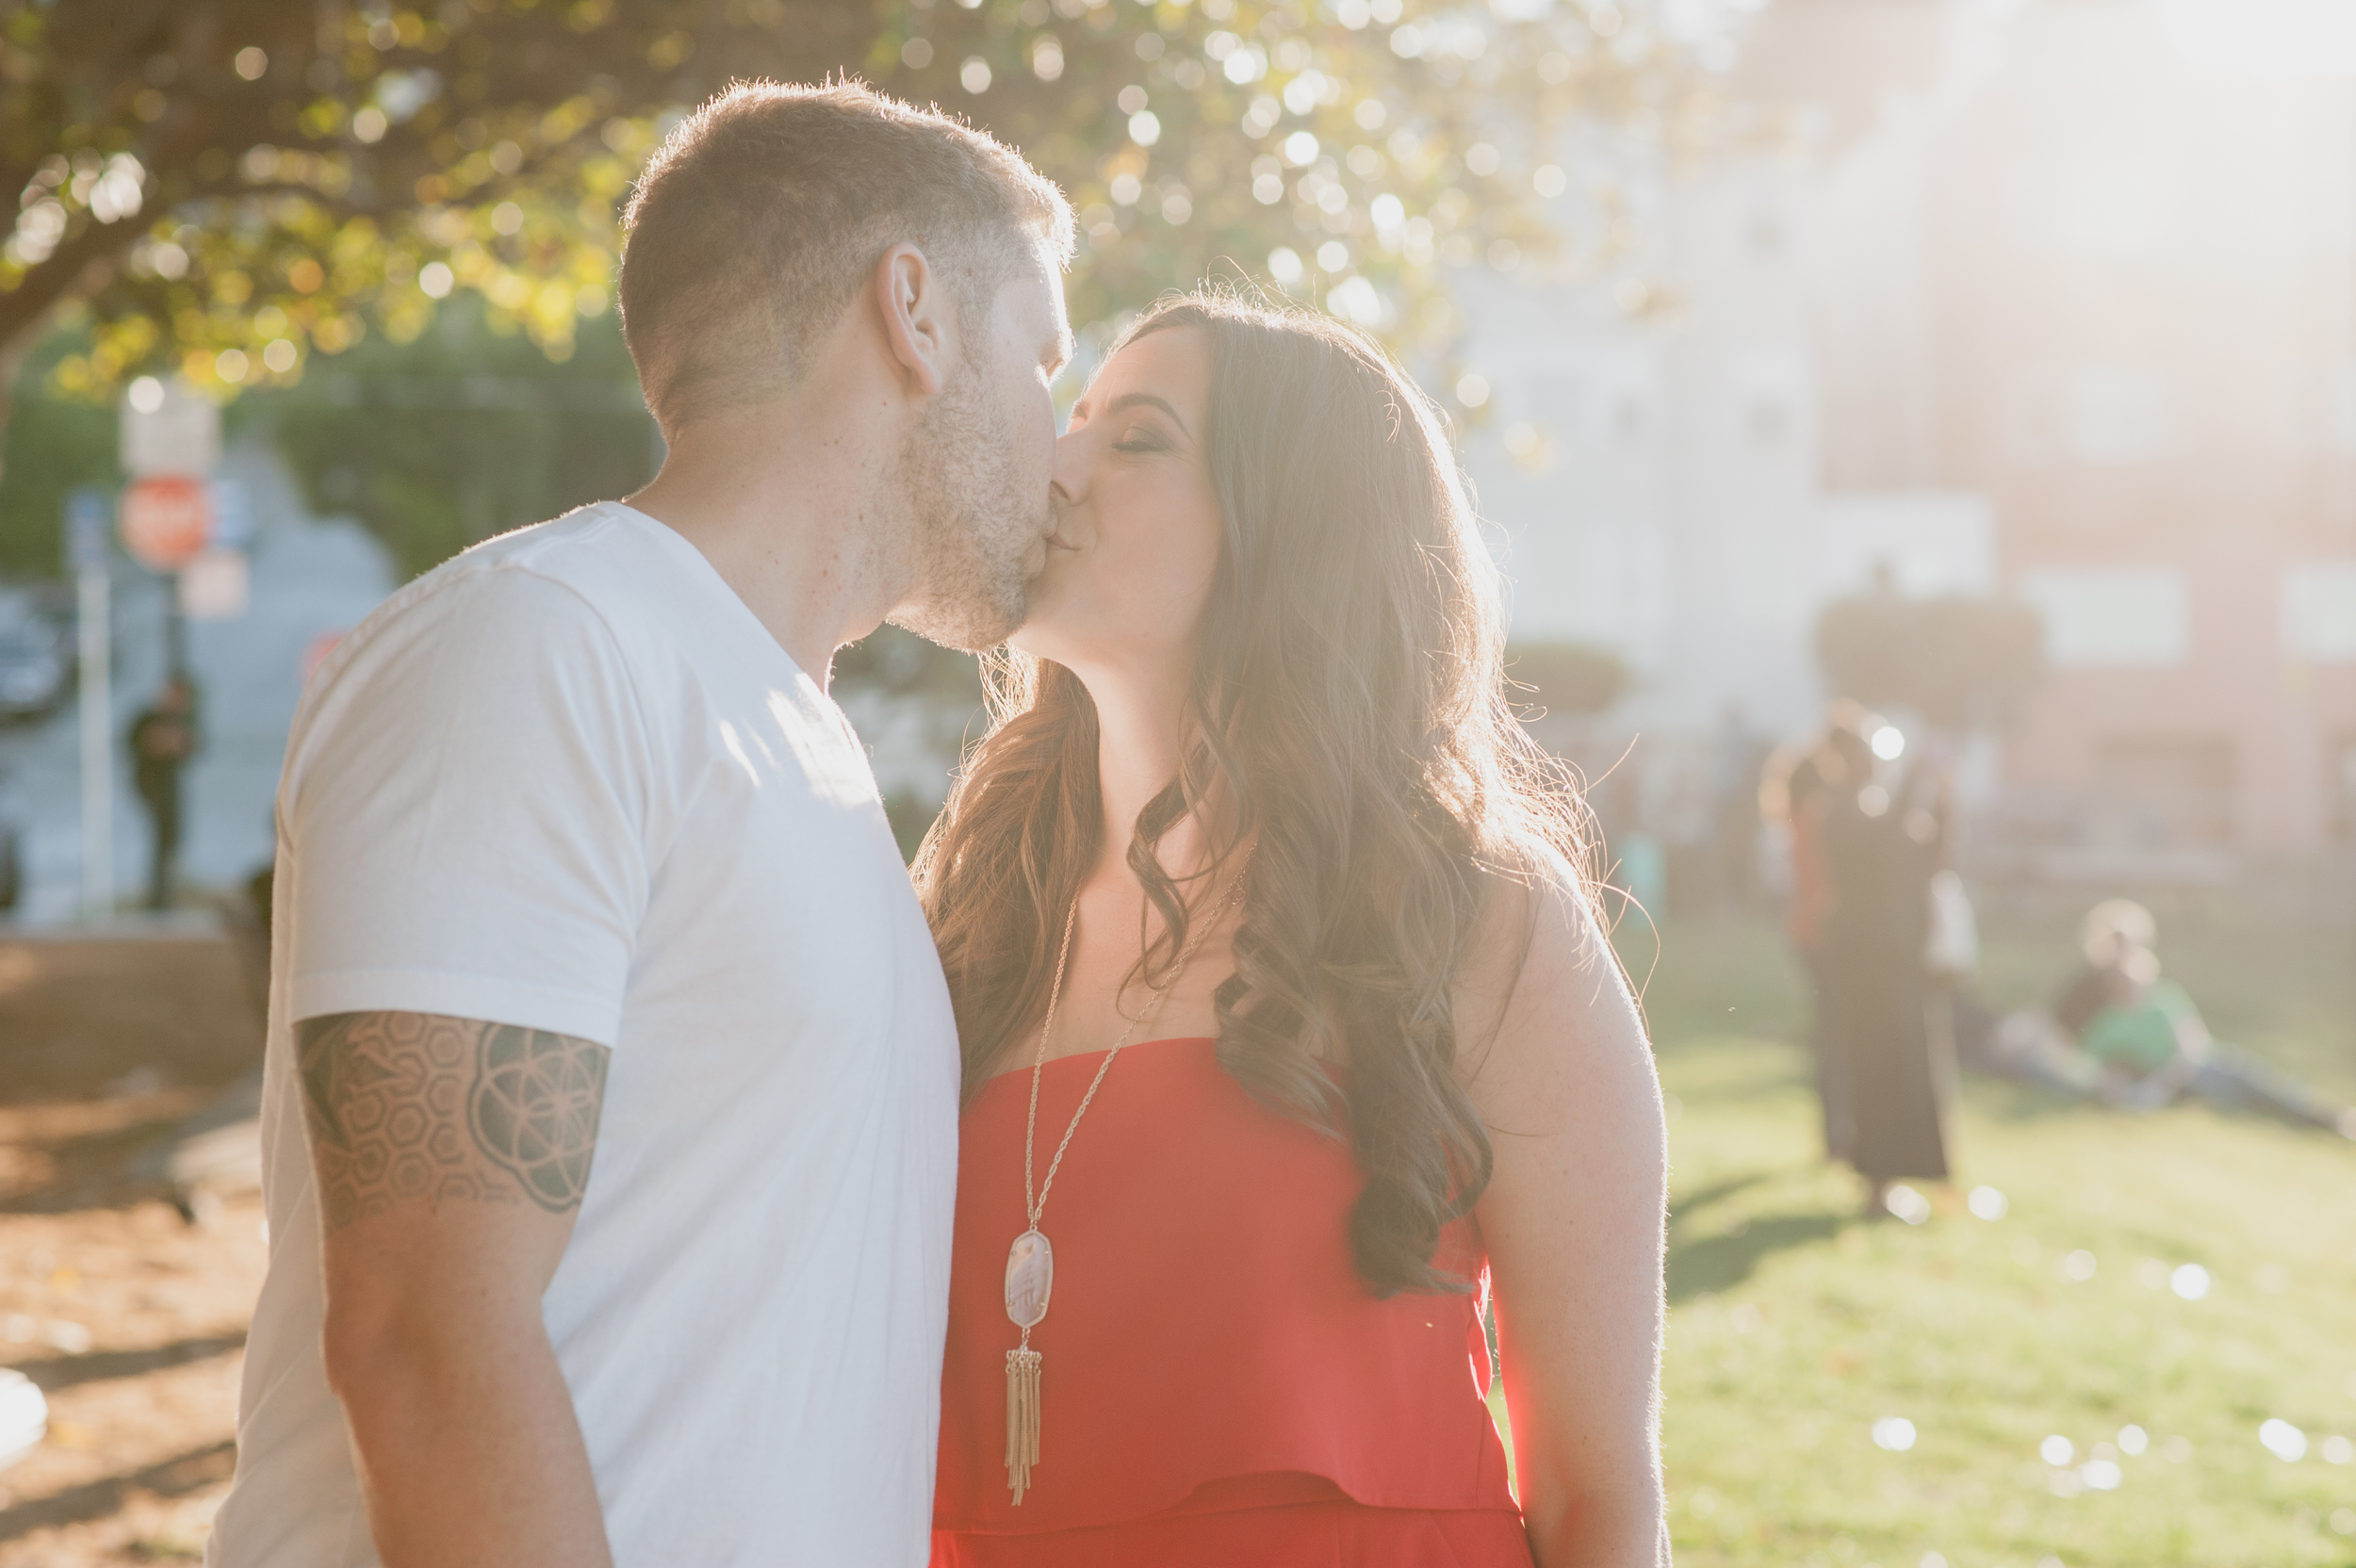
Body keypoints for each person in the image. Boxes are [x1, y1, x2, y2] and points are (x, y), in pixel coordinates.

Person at [206, 84, 1074, 1568]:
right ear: (915, 313)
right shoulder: (546, 650)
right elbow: (424, 1339)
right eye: (1044, 356)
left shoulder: (796, 738)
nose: (1063, 438)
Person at [918, 294, 1668, 1565]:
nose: (1053, 465)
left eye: (1137, 439)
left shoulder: (1475, 917)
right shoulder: (968, 919)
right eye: (1074, 422)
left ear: (1295, 531)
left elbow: (1599, 1497)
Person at [2053, 900, 2355, 1137]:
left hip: (2205, 1067)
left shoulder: (2166, 999)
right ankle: (2322, 1122)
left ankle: (2330, 1120)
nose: (2128, 985)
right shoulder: (2107, 1023)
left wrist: (2171, 1075)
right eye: (2120, 980)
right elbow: (2092, 1068)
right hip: (2182, 1086)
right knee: (2247, 1101)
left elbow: (2193, 1046)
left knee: (2265, 1089)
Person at [1812, 709, 1954, 1214]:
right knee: (1878, 1069)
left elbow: (1925, 856)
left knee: (1907, 1067)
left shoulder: (1873, 811)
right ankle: (1875, 1182)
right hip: (1866, 967)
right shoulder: (1842, 813)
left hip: (1900, 963)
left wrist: (1939, 796)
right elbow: (1888, 841)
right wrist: (1917, 776)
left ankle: (1899, 1176)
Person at [129, 674, 199, 910]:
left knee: (170, 838)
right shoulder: (149, 719)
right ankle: (157, 898)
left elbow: (190, 749)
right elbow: (139, 743)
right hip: (151, 781)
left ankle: (164, 895)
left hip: (168, 783)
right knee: (161, 838)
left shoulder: (181, 721)